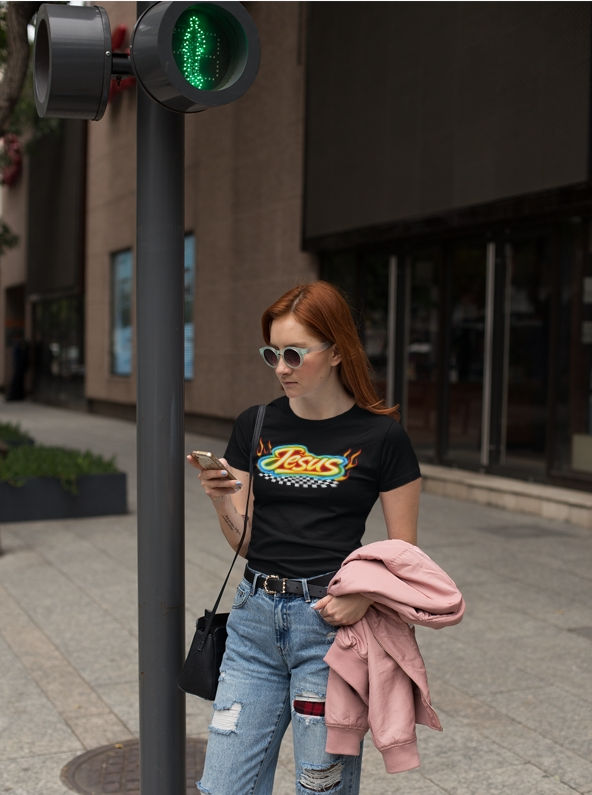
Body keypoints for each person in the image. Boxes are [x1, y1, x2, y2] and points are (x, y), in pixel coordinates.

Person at [187, 281, 421, 795]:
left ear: (337, 352)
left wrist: (363, 593)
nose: (281, 367)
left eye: (294, 353)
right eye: (272, 353)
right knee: (222, 787)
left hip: (330, 632)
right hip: (252, 625)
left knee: (321, 789)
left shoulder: (382, 438)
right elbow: (246, 543)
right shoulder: (257, 423)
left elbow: (405, 553)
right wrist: (220, 498)